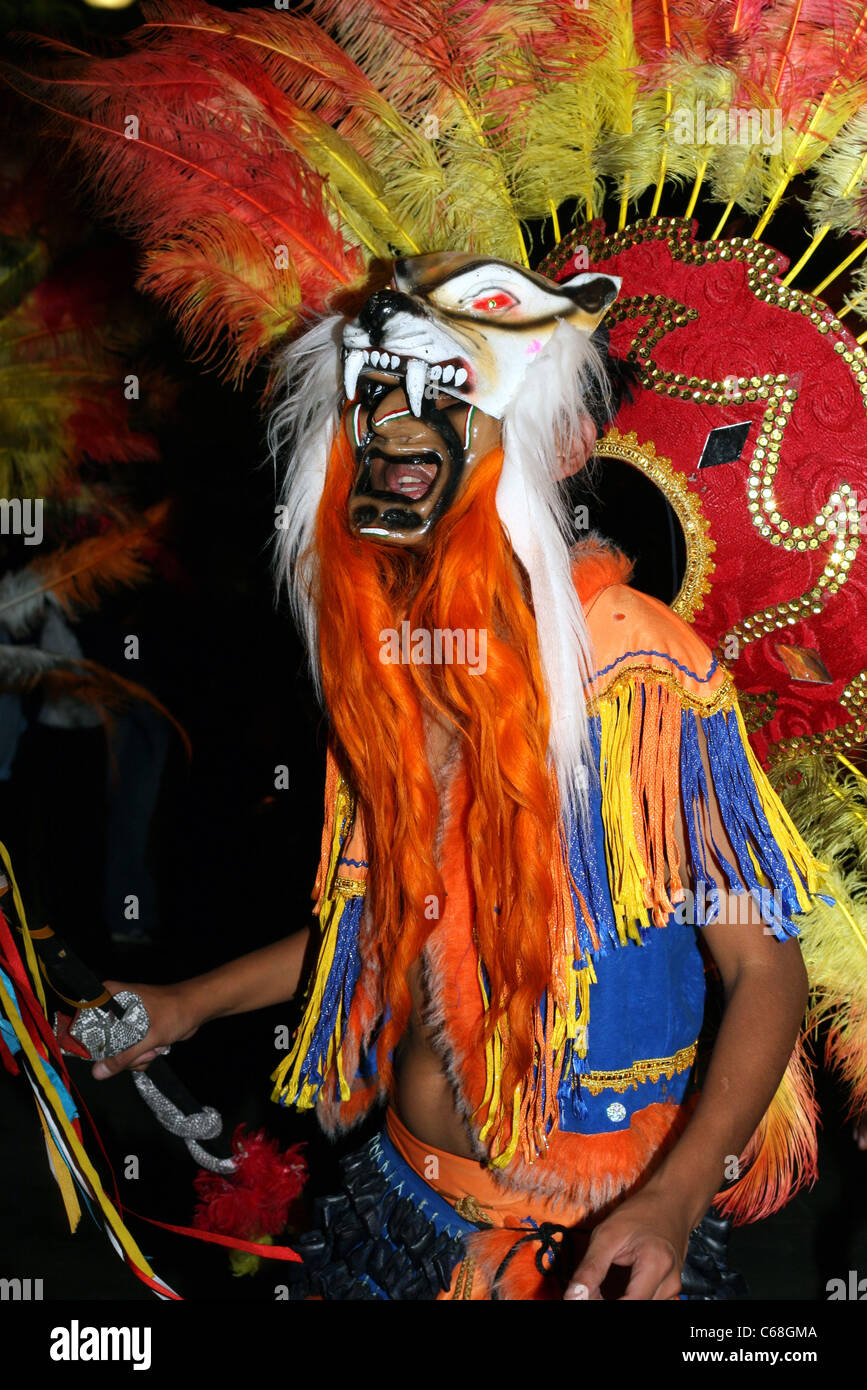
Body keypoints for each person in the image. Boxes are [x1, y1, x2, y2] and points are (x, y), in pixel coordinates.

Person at [88, 254, 821, 1301]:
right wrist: (187, 1002)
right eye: (379, 397)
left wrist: (675, 1195)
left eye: (450, 391)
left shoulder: (640, 669)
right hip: (397, 1200)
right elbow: (389, 919)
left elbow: (764, 970)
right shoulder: (401, 659)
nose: (400, 433)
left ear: (567, 441)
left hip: (582, 1245)